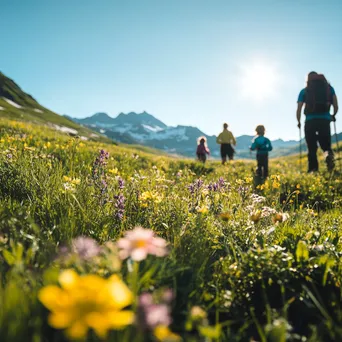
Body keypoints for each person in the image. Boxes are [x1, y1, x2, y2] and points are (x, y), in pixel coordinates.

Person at [296, 71, 339, 172]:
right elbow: (336, 105)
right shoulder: (329, 89)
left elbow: (299, 108)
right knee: (326, 145)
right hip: (325, 120)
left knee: (311, 146)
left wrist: (298, 121)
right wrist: (332, 115)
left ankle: (313, 170)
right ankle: (329, 160)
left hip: (310, 121)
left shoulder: (305, 91)